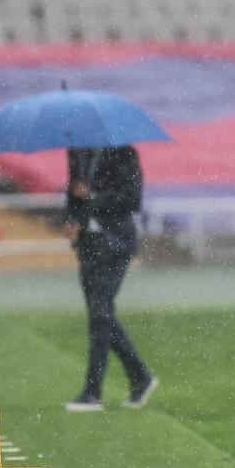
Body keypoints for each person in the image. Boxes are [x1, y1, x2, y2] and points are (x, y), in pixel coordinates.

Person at [63, 145, 158, 413]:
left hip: (116, 243)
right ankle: (140, 376)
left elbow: (132, 200)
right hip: (88, 245)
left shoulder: (124, 153)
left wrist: (93, 196)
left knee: (100, 312)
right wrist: (71, 220)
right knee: (100, 315)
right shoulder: (76, 150)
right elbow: (71, 194)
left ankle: (92, 392)